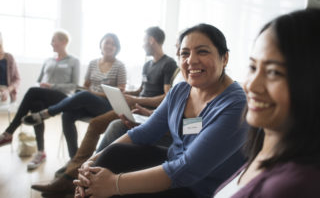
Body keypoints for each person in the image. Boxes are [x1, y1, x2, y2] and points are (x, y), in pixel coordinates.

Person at [72, 23, 249, 198]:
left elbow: (187, 170)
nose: (191, 60)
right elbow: (144, 132)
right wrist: (92, 160)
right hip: (172, 163)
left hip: (199, 188)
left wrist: (113, 184)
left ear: (224, 58)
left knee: (116, 190)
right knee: (112, 154)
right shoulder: (180, 91)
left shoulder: (237, 105)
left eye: (202, 51)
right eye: (184, 53)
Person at [31, 26, 178, 196]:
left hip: (146, 110)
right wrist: (126, 94)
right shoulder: (147, 65)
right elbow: (141, 90)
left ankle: (73, 176)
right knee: (88, 121)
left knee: (97, 124)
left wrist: (137, 101)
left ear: (151, 40)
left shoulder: (168, 64)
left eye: (144, 40)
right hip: (135, 107)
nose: (142, 44)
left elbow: (166, 96)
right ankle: (75, 173)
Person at [214, 9, 320, 198]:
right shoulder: (267, 149)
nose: (252, 85)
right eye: (253, 67)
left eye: (273, 72)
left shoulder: (293, 186)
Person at [23, 33, 126, 160]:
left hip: (107, 106)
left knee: (85, 95)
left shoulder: (120, 66)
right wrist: (88, 93)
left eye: (113, 44)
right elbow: (85, 85)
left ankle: (48, 112)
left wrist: (93, 93)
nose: (109, 46)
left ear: (117, 48)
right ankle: (75, 158)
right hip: (89, 101)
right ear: (101, 44)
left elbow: (120, 92)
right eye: (107, 42)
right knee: (67, 115)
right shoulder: (93, 63)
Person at [0, 31, 79, 170]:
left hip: (62, 98)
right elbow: (38, 81)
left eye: (54, 40)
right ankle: (41, 152)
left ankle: (9, 132)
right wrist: (43, 86)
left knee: (32, 91)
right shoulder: (48, 60)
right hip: (45, 97)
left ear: (64, 42)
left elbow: (74, 86)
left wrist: (52, 86)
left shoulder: (74, 61)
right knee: (36, 106)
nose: (51, 43)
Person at [0, 32, 20, 105]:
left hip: (5, 90)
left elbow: (17, 79)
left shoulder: (9, 58)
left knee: (4, 98)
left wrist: (7, 90)